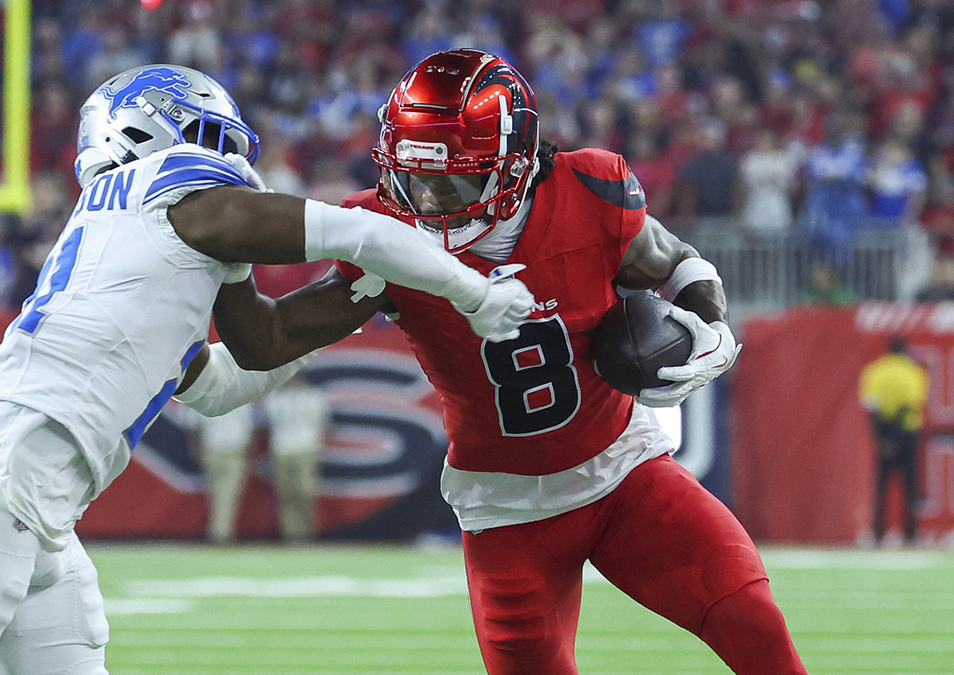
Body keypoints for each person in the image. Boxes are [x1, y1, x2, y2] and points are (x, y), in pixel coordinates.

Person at [0, 63, 534, 675]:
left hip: (30, 494)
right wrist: (473, 292)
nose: (227, 155)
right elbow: (356, 232)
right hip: (0, 476)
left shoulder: (139, 252)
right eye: (212, 136)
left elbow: (247, 359)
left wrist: (362, 298)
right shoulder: (172, 192)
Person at [210, 50, 806, 674]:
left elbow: (677, 262)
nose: (433, 199)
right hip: (506, 510)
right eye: (417, 179)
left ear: (515, 166)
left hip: (624, 473)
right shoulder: (383, 235)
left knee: (751, 621)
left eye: (456, 181)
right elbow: (267, 341)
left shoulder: (589, 190)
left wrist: (710, 324)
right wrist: (231, 265)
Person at [858, 335, 928, 547]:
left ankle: (877, 533)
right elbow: (912, 404)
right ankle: (911, 534)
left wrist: (882, 436)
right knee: (910, 485)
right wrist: (897, 433)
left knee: (880, 485)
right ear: (904, 350)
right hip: (906, 433)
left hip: (883, 433)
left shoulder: (875, 371)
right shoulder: (913, 372)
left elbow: (871, 407)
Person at [263, 372, 330, 542]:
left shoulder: (314, 397)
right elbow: (267, 423)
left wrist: (317, 447)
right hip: (281, 449)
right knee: (286, 494)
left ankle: (309, 532)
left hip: (306, 448)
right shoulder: (277, 398)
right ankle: (292, 534)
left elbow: (323, 425)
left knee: (305, 492)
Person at [194, 403, 257, 544]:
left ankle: (218, 531)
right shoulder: (241, 398)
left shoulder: (205, 397)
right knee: (228, 494)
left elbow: (194, 427)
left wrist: (196, 449)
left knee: (217, 495)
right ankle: (222, 534)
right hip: (231, 451)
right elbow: (249, 427)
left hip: (214, 449)